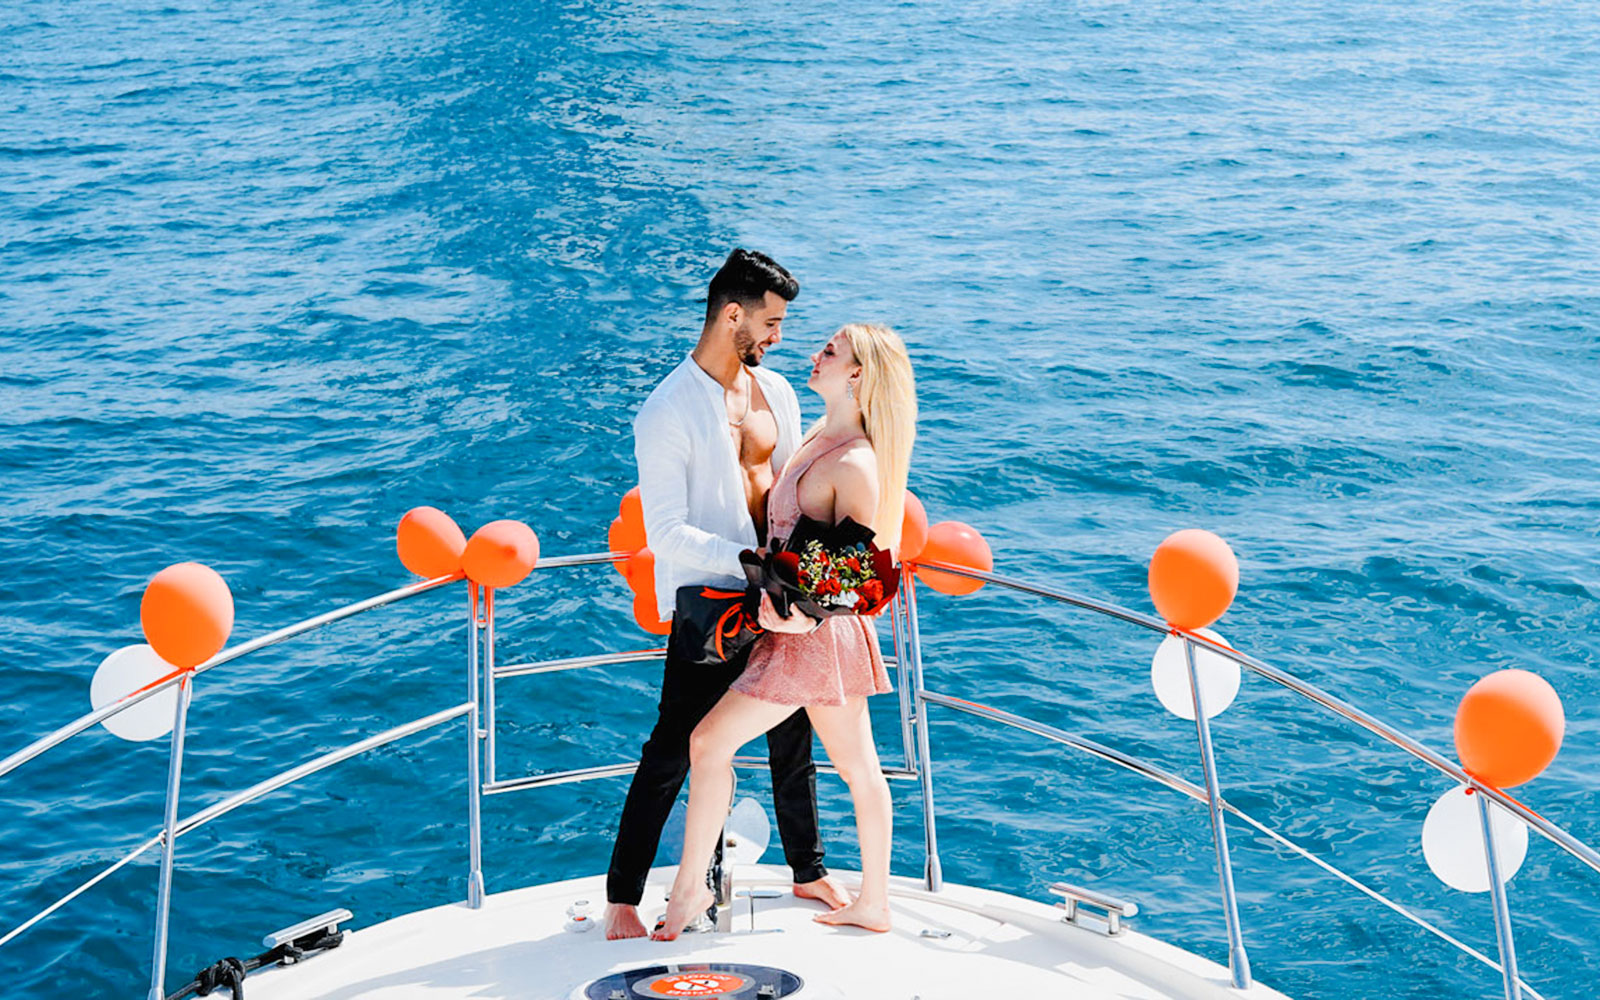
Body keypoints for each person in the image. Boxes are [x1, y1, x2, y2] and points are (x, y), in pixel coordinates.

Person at [604, 249, 850, 940]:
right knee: (672, 748)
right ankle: (622, 896)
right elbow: (666, 533)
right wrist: (749, 562)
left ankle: (807, 869)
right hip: (714, 607)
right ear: (732, 314)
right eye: (771, 323)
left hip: (781, 594)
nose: (778, 338)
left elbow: (794, 489)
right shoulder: (667, 410)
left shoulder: (777, 393)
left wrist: (802, 570)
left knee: (793, 737)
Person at [653, 323, 916, 940]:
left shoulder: (855, 462)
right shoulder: (821, 435)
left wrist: (801, 614)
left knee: (710, 743)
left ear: (857, 374)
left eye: (831, 351)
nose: (816, 355)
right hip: (796, 635)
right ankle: (872, 903)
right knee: (857, 766)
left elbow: (858, 569)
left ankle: (691, 890)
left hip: (814, 642)